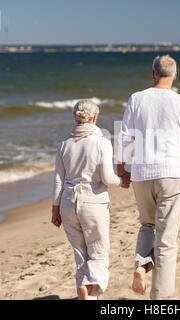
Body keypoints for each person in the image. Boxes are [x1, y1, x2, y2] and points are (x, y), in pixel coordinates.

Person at [117, 55, 180, 300]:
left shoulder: (136, 98)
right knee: (166, 241)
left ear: (152, 74)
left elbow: (124, 138)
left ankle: (140, 266)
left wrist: (122, 170)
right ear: (174, 75)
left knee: (147, 225)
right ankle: (160, 299)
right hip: (171, 174)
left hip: (142, 175)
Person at [51, 99, 124, 300]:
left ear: (76, 118)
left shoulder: (64, 144)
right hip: (93, 202)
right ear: (94, 118)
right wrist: (122, 182)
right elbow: (108, 178)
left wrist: (55, 211)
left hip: (67, 202)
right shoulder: (101, 142)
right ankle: (87, 286)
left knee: (81, 256)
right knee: (99, 252)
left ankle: (86, 295)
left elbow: (58, 180)